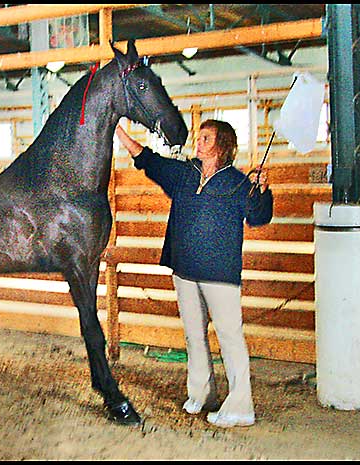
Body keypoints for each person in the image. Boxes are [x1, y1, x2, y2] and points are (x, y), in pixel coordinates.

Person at [115, 119, 274, 428]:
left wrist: (263, 191)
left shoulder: (240, 183)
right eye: (199, 137)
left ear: (222, 146)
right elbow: (147, 159)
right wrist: (118, 132)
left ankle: (241, 406)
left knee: (230, 337)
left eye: (205, 137)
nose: (198, 142)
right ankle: (202, 393)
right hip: (184, 269)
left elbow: (259, 217)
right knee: (193, 336)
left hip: (220, 273)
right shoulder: (183, 174)